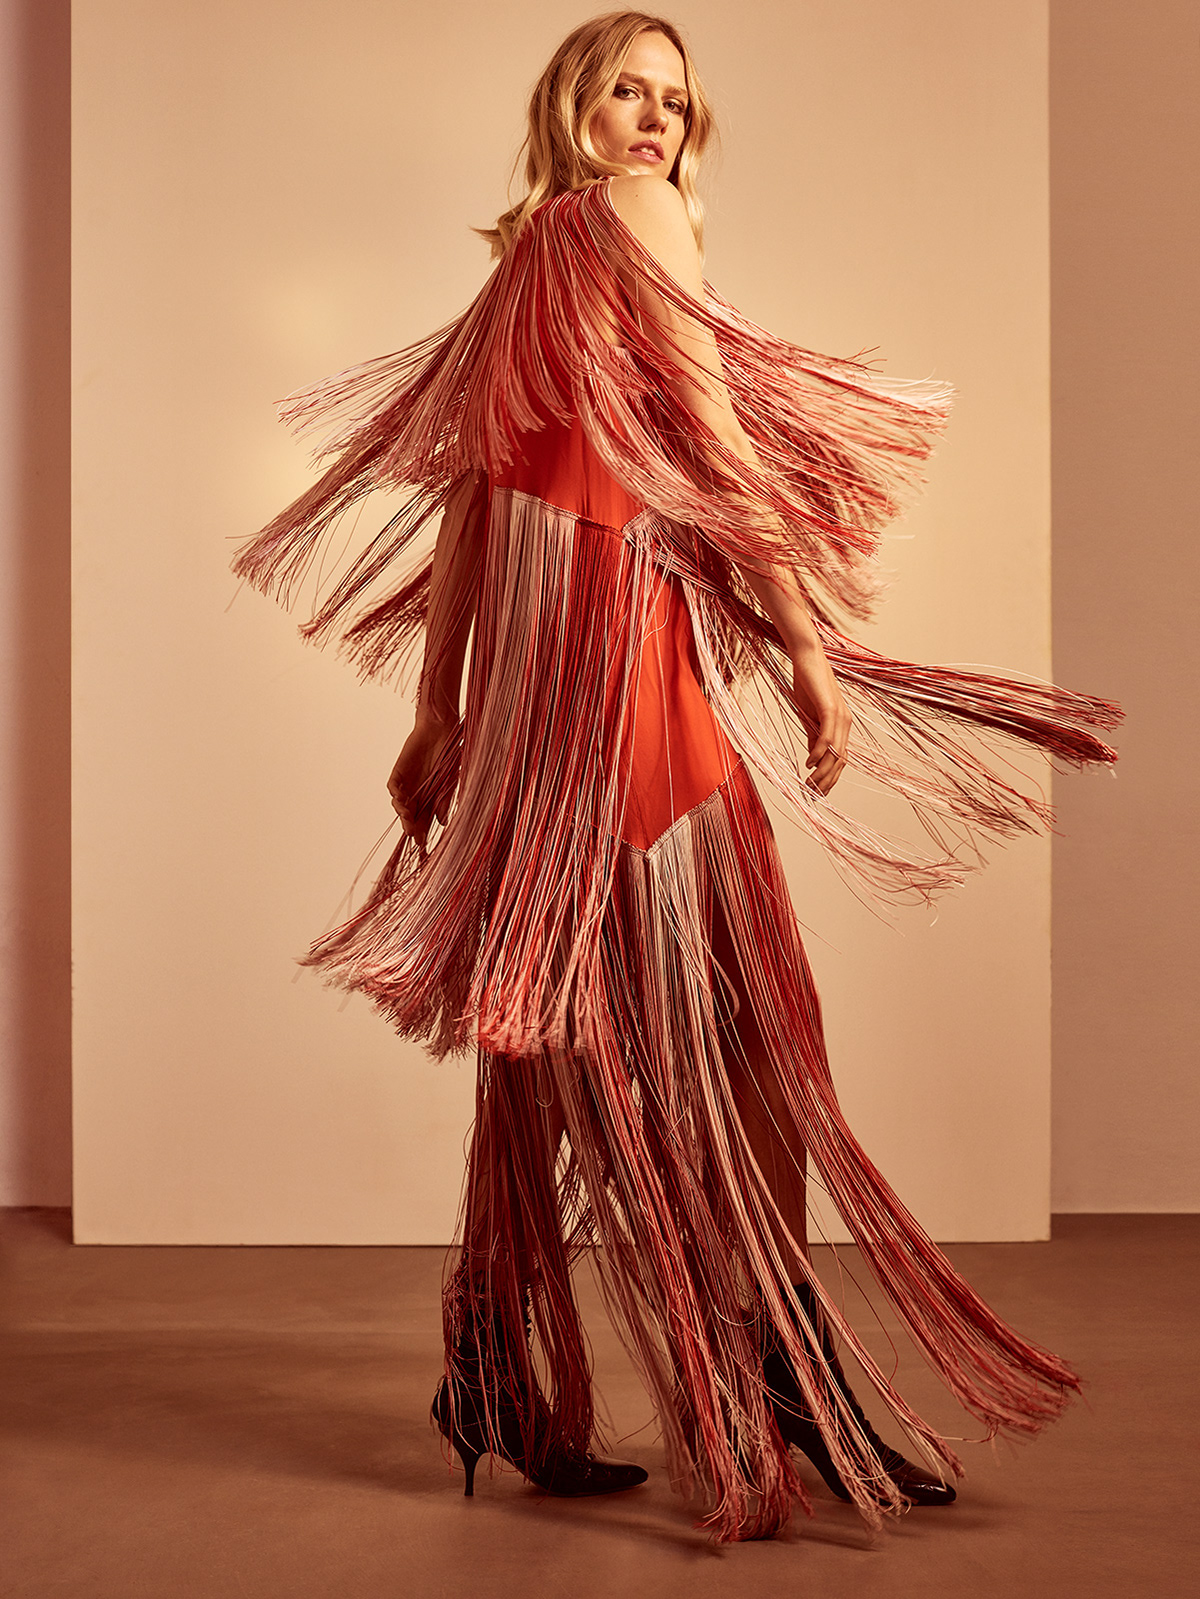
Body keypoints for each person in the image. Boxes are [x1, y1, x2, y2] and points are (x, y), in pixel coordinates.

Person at [234, 11, 1120, 1544]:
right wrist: (807, 645)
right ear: (574, 108)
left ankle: (500, 1369)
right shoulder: (634, 216)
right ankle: (777, 1373)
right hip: (615, 652)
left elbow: (475, 504)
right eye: (628, 92)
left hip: (537, 675)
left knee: (559, 1015)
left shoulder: (521, 262)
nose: (655, 121)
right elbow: (705, 431)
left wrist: (440, 713)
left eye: (676, 102)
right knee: (749, 1024)